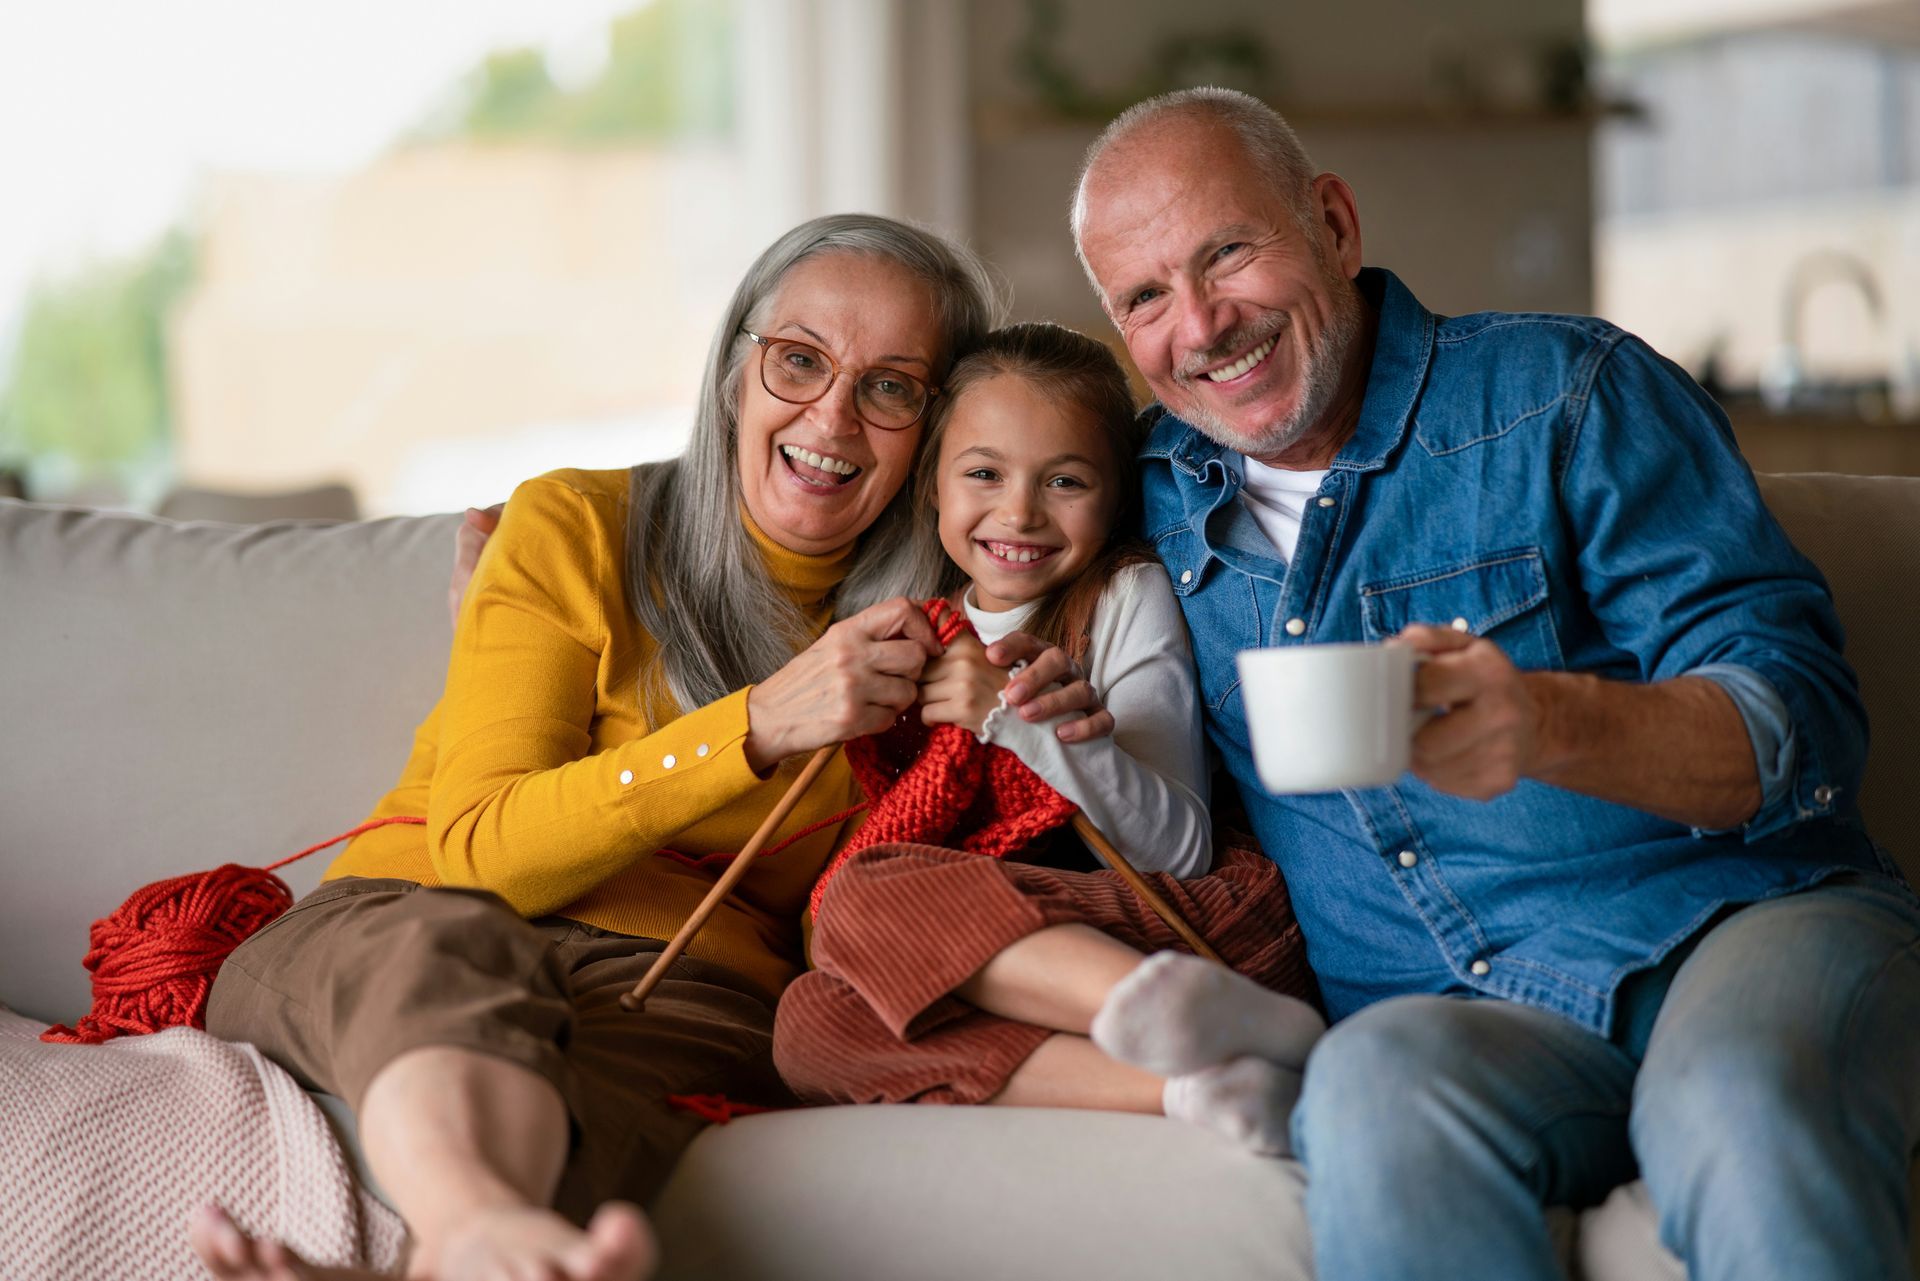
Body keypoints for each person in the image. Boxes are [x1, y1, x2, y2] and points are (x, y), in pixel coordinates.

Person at [1024, 85, 1920, 1281]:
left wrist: (1547, 721)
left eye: (1228, 252)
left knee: (1736, 1096)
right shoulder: (1142, 491)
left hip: (1734, 929)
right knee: (1367, 1090)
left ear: (1333, 226)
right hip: (1456, 1021)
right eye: (1144, 298)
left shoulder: (1563, 394)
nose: (1201, 326)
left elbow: (1799, 721)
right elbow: (959, 496)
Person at [187, 213, 1009, 1281]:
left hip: (682, 989)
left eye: (892, 387)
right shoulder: (576, 525)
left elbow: (872, 927)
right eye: (798, 362)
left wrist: (1004, 725)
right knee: (454, 952)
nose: (834, 416)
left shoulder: (945, 636)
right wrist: (757, 725)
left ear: (941, 426)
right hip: (410, 913)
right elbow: (483, 852)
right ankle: (473, 1226)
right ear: (734, 374)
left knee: (615, 1091)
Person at [770, 322, 1324, 1155]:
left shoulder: (1124, 594)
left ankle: (1178, 1002)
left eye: (1064, 480)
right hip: (1026, 953)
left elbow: (1181, 845)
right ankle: (1189, 1085)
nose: (1019, 511)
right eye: (984, 473)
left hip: (1179, 921)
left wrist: (1018, 722)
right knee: (810, 1023)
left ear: (1115, 496)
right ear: (933, 485)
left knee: (863, 899)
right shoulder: (924, 626)